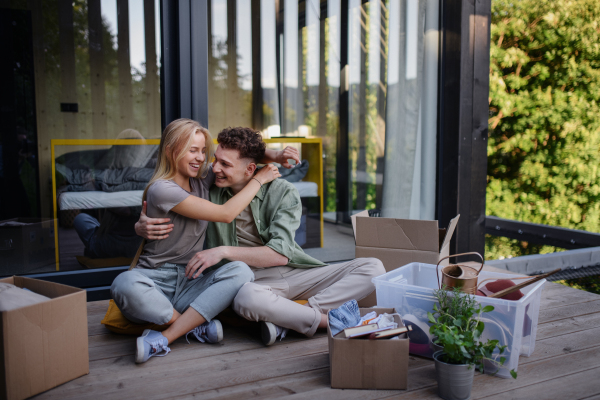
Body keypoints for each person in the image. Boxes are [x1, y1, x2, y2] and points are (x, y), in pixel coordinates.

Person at [135, 126, 385, 346]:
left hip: (294, 272)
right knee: (246, 298)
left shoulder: (283, 192)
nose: (213, 167)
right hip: (247, 281)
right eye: (216, 160)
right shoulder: (207, 187)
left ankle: (294, 318)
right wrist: (141, 226)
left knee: (374, 268)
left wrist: (222, 251)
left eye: (225, 165)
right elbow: (204, 204)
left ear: (251, 169)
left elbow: (280, 255)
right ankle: (324, 321)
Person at [110, 119, 288, 363]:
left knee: (240, 271)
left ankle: (171, 331)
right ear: (171, 151)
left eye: (203, 151)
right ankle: (191, 327)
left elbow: (240, 157)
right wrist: (260, 179)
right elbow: (226, 214)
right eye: (192, 150)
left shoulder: (201, 180)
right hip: (155, 281)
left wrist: (275, 155)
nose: (200, 158)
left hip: (190, 280)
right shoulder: (162, 189)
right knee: (124, 284)